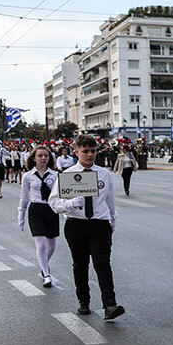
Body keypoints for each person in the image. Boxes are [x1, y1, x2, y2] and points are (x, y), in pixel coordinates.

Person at [47, 135, 124, 319]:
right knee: (80, 265)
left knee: (102, 264)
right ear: (76, 151)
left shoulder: (103, 174)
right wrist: (72, 203)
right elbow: (53, 202)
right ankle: (83, 301)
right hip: (76, 224)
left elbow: (110, 200)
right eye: (85, 151)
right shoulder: (68, 175)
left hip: (99, 224)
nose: (90, 155)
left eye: (93, 151)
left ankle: (110, 304)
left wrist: (112, 220)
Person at [17, 146, 59, 287]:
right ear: (34, 158)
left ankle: (44, 264)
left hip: (51, 209)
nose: (43, 158)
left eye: (46, 155)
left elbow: (61, 195)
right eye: (40, 155)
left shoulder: (55, 175)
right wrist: (21, 215)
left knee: (51, 246)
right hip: (36, 210)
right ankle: (47, 275)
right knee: (41, 244)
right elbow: (24, 197)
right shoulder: (28, 176)